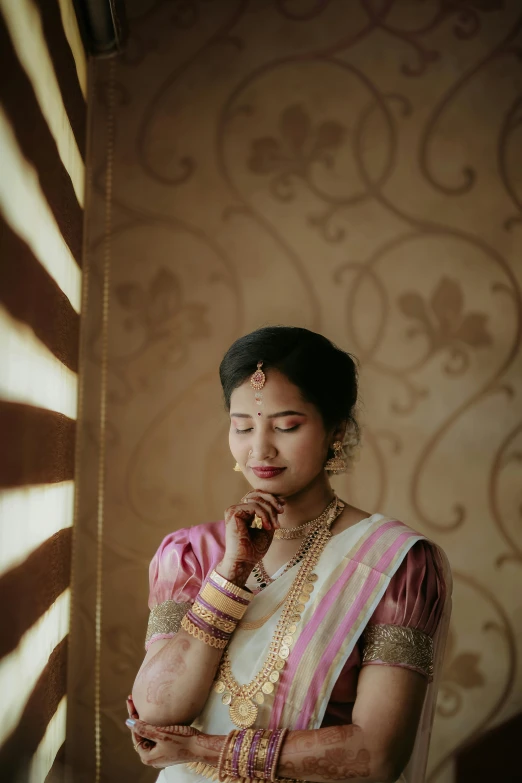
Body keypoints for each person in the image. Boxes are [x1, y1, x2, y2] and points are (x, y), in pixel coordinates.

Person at [125, 326, 451, 783]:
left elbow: (376, 756)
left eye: (286, 426)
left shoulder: (395, 564)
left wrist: (203, 747)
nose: (260, 448)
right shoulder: (190, 555)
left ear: (336, 428)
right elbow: (157, 708)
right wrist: (230, 575)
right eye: (242, 426)